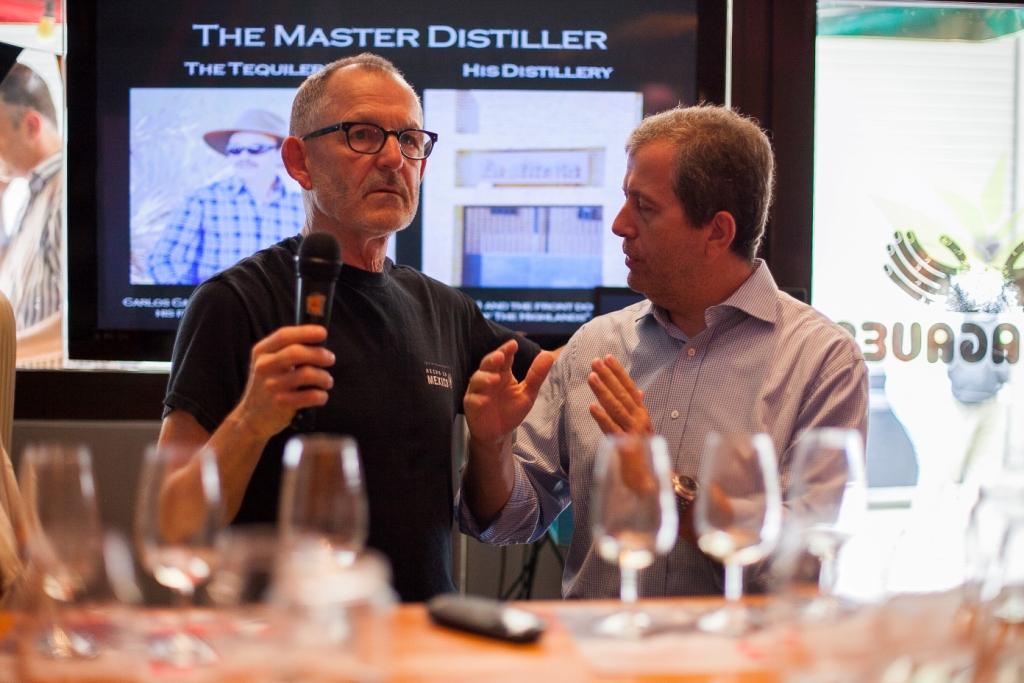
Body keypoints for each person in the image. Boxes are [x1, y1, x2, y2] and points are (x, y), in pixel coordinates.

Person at [156, 53, 542, 602]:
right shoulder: (234, 302)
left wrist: (492, 443)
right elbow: (173, 526)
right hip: (286, 639)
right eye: (363, 135)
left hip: (422, 637)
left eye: (410, 140)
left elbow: (490, 514)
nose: (393, 158)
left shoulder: (444, 309)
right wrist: (249, 421)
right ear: (299, 162)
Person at [458, 104, 868, 598]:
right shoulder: (595, 346)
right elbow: (506, 522)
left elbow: (806, 565)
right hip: (602, 644)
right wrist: (491, 447)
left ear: (717, 231)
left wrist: (663, 483)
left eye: (644, 207)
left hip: (736, 649)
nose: (619, 225)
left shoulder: (822, 361)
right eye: (624, 199)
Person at [146, 109, 304, 284]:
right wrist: (201, 297)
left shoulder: (300, 207)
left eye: (255, 149)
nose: (243, 156)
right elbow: (162, 261)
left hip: (280, 302)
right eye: (235, 150)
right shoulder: (202, 201)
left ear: (280, 153)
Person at [0, 63, 62, 367]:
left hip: (51, 389)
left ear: (31, 126)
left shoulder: (65, 194)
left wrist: (5, 353)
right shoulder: (33, 192)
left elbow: (73, 327)